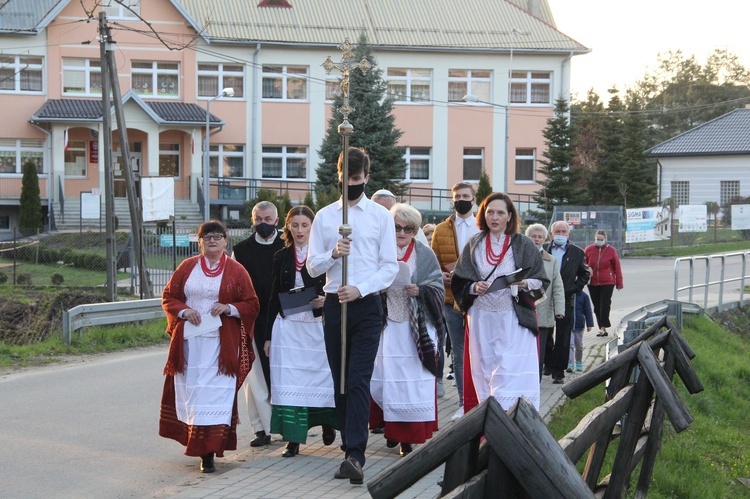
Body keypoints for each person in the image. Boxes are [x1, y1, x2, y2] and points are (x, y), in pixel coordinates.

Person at [307, 147, 399, 485]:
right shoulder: (326, 216)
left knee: (359, 378)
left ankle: (356, 455)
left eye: (358, 181)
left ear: (367, 178)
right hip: (334, 304)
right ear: (339, 176)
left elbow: (390, 266)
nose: (353, 185)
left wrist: (360, 288)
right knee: (341, 381)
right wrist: (333, 254)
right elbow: (311, 265)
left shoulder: (379, 216)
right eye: (347, 180)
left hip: (366, 306)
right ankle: (349, 445)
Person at [159, 220, 260, 473]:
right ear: (199, 241)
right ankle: (197, 444)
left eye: (217, 236)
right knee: (195, 394)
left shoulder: (237, 271)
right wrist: (184, 311)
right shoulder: (187, 267)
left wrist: (229, 308)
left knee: (216, 396)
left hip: (222, 348)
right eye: (207, 237)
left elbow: (252, 303)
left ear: (226, 241)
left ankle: (209, 453)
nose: (212, 241)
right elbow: (169, 296)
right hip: (191, 345)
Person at [450, 193, 549, 412]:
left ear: (509, 216)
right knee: (485, 369)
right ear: (483, 214)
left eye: (500, 213)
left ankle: (513, 418)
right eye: (490, 212)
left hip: (513, 318)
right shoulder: (474, 244)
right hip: (481, 318)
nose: (494, 217)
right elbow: (459, 280)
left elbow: (541, 279)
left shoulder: (523, 243)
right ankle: (486, 421)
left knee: (509, 368)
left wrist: (524, 283)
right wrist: (474, 287)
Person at [370, 203, 443, 457]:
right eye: (396, 227)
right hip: (387, 325)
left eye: (407, 228)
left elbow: (438, 287)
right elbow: (367, 280)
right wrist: (377, 287)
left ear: (415, 230)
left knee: (411, 383)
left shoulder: (425, 254)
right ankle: (390, 429)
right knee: (385, 380)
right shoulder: (379, 251)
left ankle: (407, 438)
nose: (401, 233)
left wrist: (421, 290)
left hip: (416, 328)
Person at [265, 206, 339, 457]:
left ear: (313, 227)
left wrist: (325, 299)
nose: (299, 230)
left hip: (318, 326)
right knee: (291, 381)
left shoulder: (325, 255)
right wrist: (267, 336)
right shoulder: (280, 256)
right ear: (287, 227)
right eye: (294, 225)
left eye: (304, 225)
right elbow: (273, 296)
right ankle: (293, 439)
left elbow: (338, 287)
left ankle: (328, 422)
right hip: (288, 327)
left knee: (322, 377)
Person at [232, 201, 285, 447]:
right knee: (256, 377)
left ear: (277, 220)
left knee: (278, 373)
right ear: (252, 220)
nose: (263, 223)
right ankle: (260, 428)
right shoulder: (241, 250)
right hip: (253, 317)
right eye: (258, 219)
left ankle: (281, 425)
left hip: (283, 316)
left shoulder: (287, 244)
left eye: (268, 218)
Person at [430, 182, 480, 419]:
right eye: (457, 196)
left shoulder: (482, 227)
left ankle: (482, 398)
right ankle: (464, 402)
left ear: (473, 199)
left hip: (479, 299)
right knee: (459, 354)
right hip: (451, 299)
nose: (461, 199)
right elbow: (433, 263)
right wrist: (441, 275)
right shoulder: (441, 229)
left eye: (465, 196)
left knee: (480, 351)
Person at [544, 221, 589, 385]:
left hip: (566, 298)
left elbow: (585, 274)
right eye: (557, 231)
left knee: (563, 335)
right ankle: (548, 362)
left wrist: (574, 288)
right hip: (545, 299)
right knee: (546, 332)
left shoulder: (577, 252)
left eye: (564, 232)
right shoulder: (543, 250)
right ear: (551, 233)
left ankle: (559, 370)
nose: (560, 234)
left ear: (568, 234)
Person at [525, 223, 565, 381]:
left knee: (540, 350)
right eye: (533, 236)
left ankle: (536, 381)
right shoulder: (518, 256)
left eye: (540, 236)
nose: (536, 239)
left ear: (545, 239)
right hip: (523, 310)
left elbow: (558, 286)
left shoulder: (552, 261)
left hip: (544, 312)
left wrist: (559, 310)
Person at [584, 230, 624, 337]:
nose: (599, 241)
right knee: (597, 306)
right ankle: (601, 327)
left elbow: (617, 267)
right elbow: (583, 263)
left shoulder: (611, 250)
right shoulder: (589, 249)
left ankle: (603, 327)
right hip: (592, 282)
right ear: (594, 238)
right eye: (598, 239)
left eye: (602, 239)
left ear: (605, 239)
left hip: (608, 281)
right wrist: (587, 268)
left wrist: (619, 283)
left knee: (605, 304)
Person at [569, 290, 594, 373]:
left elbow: (588, 310)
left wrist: (589, 323)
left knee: (578, 345)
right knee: (570, 345)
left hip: (579, 325)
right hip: (569, 324)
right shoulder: (568, 294)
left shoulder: (584, 296)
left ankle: (579, 361)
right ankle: (570, 363)